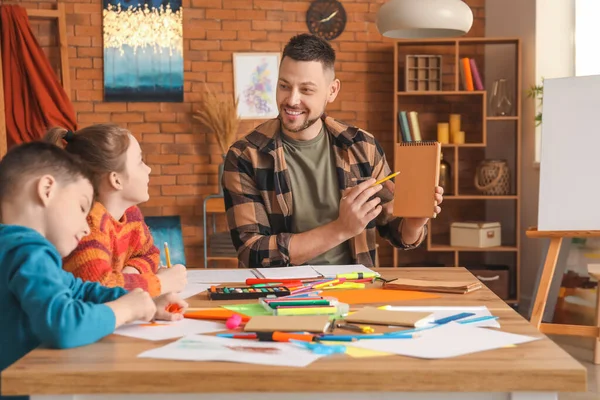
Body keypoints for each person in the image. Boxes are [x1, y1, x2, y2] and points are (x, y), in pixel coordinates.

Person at [222, 33, 444, 269]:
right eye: (284, 86)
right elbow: (253, 251)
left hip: (355, 290)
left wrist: (415, 222)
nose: (292, 100)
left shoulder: (362, 146)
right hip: (282, 295)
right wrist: (341, 228)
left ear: (332, 90)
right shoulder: (245, 155)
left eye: (306, 90)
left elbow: (394, 230)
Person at [0, 142, 188, 397]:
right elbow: (63, 326)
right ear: (46, 190)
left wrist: (145, 301)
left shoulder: (12, 246)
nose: (86, 227)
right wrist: (126, 310)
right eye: (81, 207)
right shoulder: (29, 249)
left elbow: (76, 288)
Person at [44, 124, 187, 297]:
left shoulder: (131, 214)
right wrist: (162, 283)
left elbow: (150, 254)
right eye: (140, 162)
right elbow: (99, 289)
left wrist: (128, 275)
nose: (148, 169)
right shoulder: (87, 226)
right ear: (116, 180)